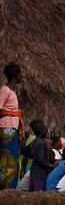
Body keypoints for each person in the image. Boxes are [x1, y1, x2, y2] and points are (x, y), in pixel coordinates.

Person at [0, 61, 24, 190]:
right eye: (20, 74)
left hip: (12, 129)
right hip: (6, 129)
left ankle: (10, 188)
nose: (22, 76)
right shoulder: (5, 91)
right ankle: (6, 189)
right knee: (7, 159)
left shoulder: (12, 92)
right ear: (15, 75)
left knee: (13, 158)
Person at [27, 120, 53, 192]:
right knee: (38, 195)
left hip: (33, 172)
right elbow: (41, 160)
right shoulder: (41, 143)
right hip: (40, 174)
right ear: (42, 131)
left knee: (33, 196)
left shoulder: (33, 142)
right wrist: (50, 167)